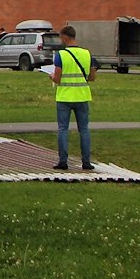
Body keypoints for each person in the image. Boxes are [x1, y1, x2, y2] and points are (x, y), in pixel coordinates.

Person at [50, 24, 96, 170]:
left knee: (63, 129)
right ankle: (86, 162)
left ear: (65, 37)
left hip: (64, 97)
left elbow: (57, 78)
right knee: (84, 129)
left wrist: (51, 76)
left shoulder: (61, 55)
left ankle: (63, 161)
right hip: (82, 96)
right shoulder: (87, 54)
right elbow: (92, 77)